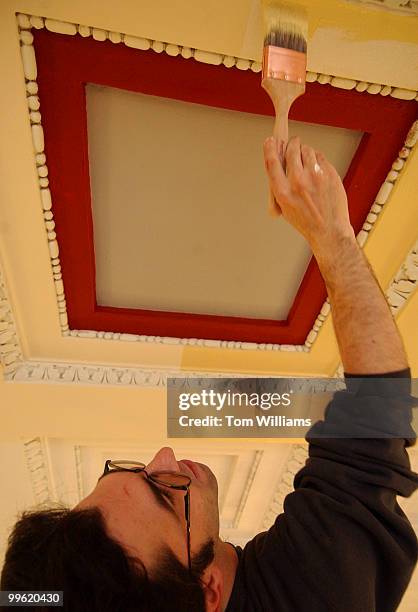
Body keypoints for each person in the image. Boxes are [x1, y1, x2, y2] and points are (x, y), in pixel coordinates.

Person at [1, 137, 417, 611]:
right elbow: (377, 413)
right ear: (209, 591)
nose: (164, 455)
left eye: (128, 471)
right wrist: (333, 236)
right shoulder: (318, 593)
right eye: (165, 493)